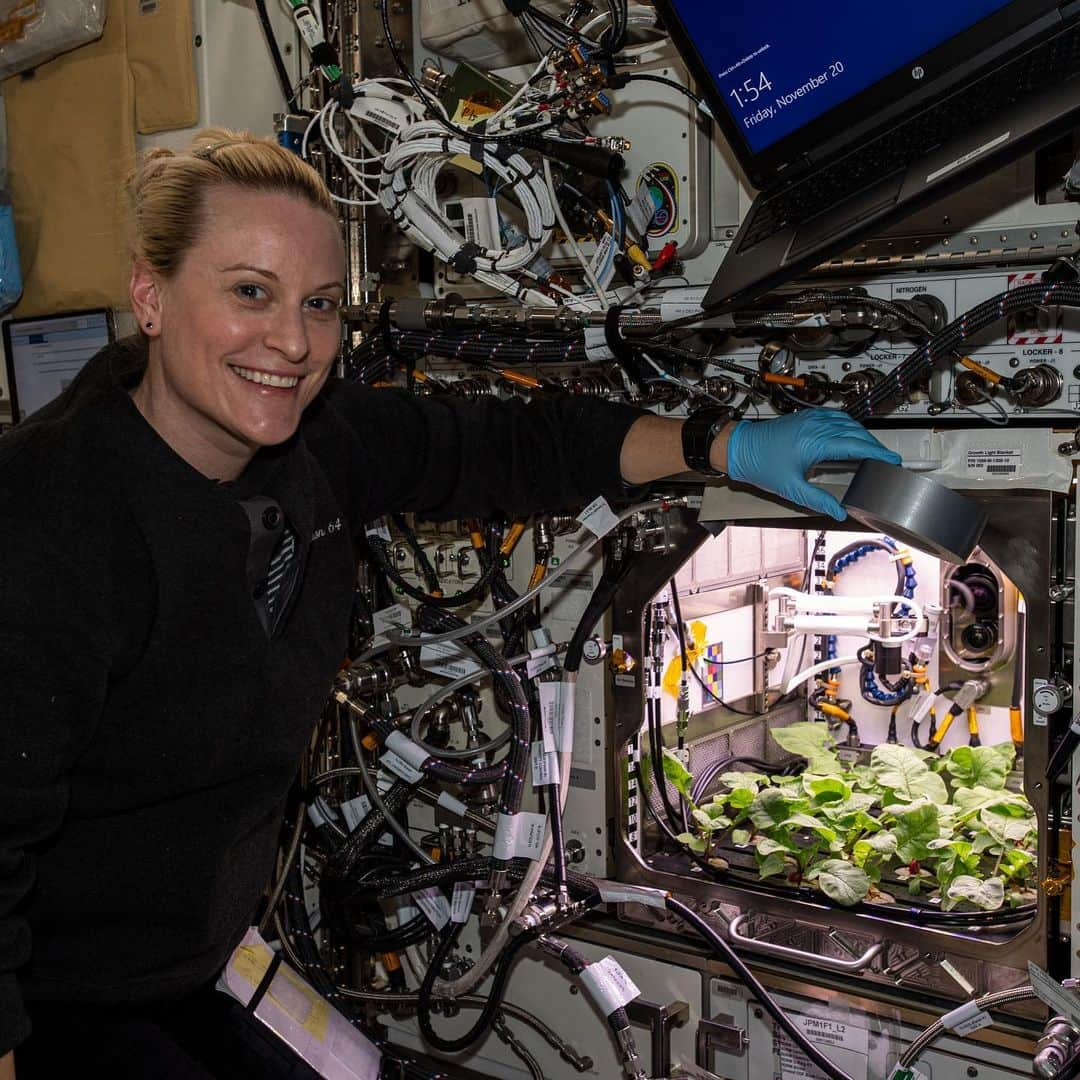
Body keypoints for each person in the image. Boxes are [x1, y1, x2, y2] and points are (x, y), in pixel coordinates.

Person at [0, 128, 900, 1079]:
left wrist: (721, 444)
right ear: (150, 295)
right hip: (53, 996)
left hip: (201, 960)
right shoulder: (49, 517)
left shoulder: (317, 446)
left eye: (319, 305)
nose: (294, 343)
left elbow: (507, 445)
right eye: (249, 293)